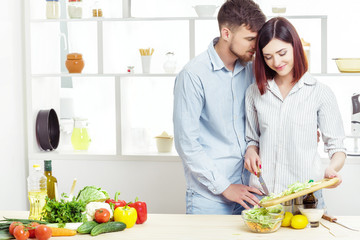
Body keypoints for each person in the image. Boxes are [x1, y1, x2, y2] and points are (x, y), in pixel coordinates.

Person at [173, 0, 266, 214]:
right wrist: (224, 187)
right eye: (250, 39)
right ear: (226, 33)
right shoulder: (193, 75)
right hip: (209, 199)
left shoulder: (253, 69)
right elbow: (187, 143)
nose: (256, 46)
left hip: (251, 192)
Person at [244, 17, 346, 208]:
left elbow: (337, 147)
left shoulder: (320, 92)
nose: (276, 61)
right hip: (263, 196)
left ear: (295, 46)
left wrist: (332, 168)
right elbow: (252, 140)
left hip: (306, 196)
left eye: (282, 53)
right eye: (268, 57)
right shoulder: (254, 93)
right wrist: (251, 151)